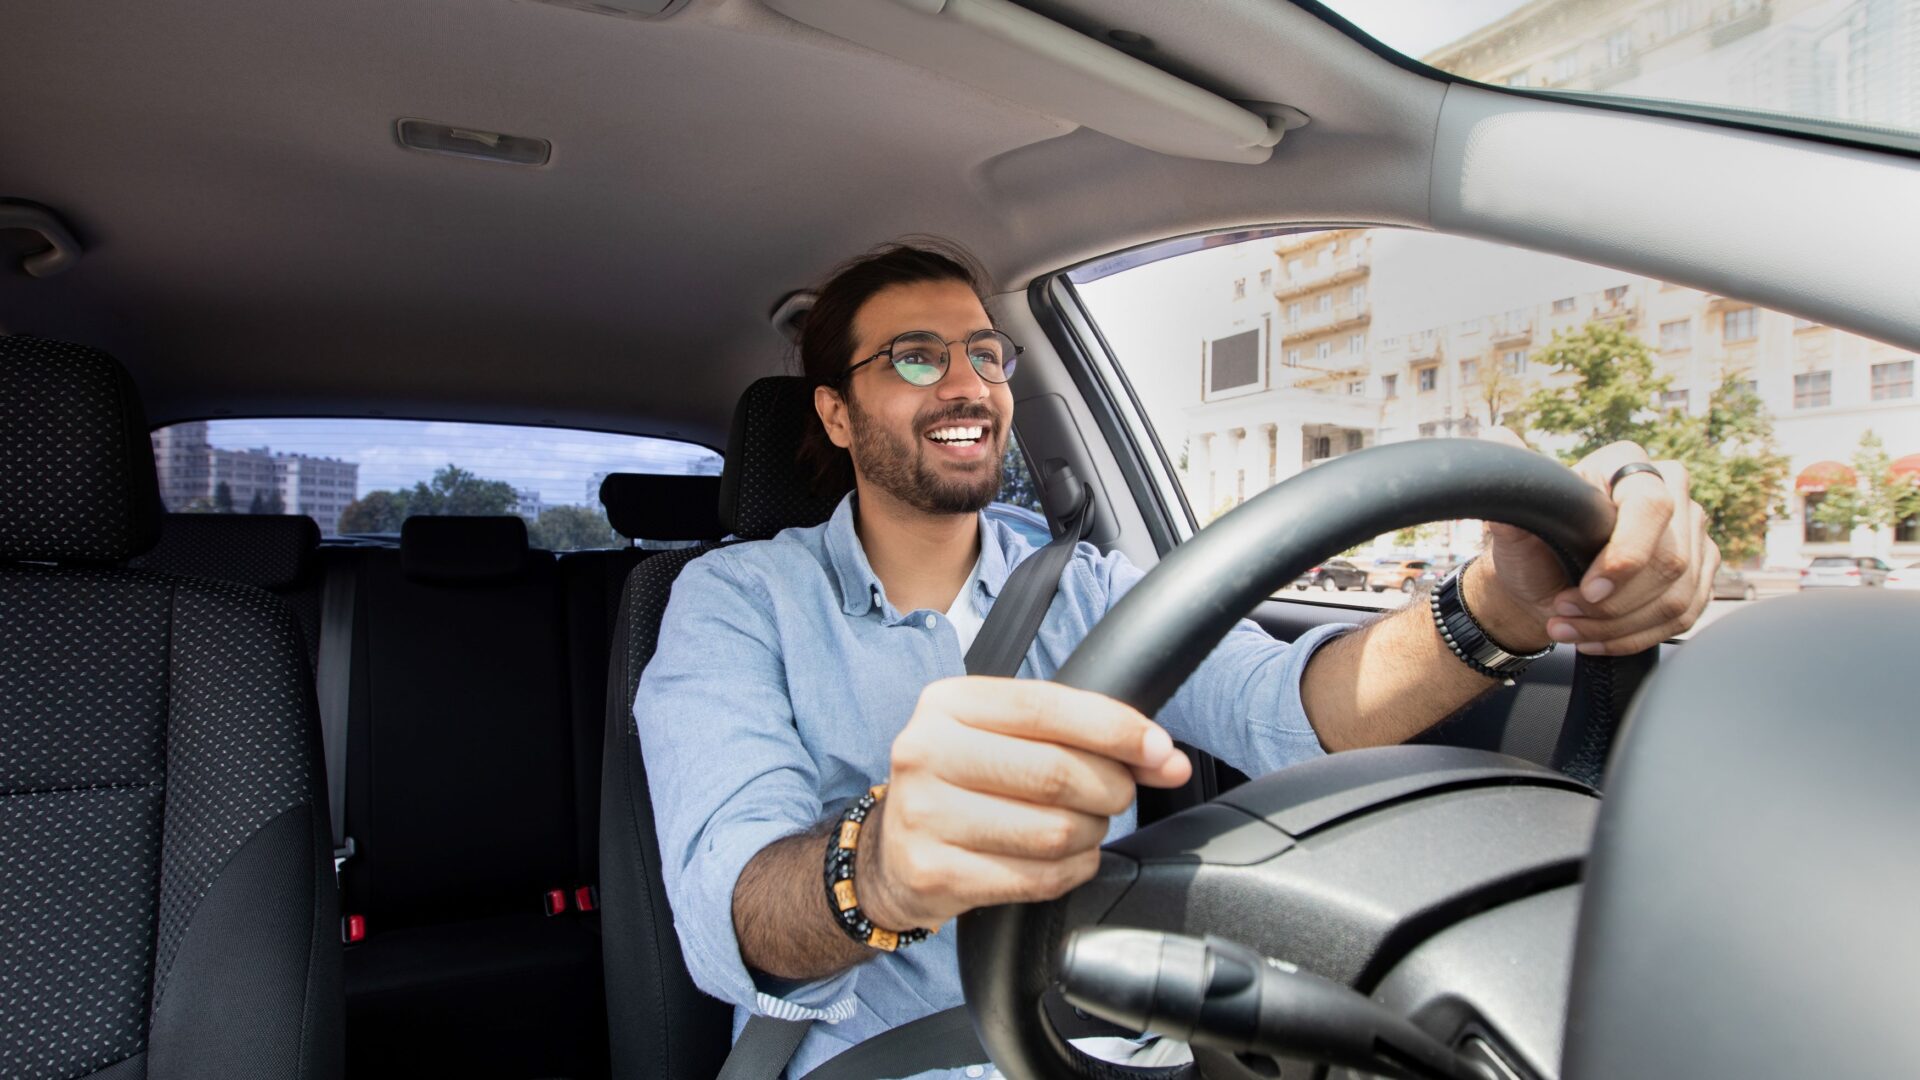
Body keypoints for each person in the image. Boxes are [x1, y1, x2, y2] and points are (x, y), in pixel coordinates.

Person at [634, 242, 1716, 1077]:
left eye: (984, 354)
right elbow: (732, 906)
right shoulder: (736, 602)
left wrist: (1499, 606)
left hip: (1112, 1053)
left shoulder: (1083, 584)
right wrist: (880, 866)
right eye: (915, 357)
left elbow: (1292, 710)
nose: (966, 385)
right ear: (835, 410)